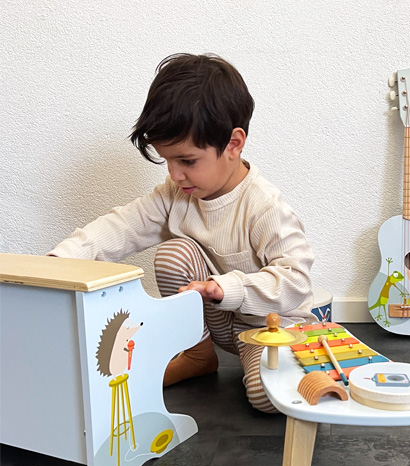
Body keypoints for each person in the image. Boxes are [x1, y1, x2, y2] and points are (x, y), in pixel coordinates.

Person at [48, 53, 316, 413]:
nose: (175, 174)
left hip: (271, 327)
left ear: (234, 144)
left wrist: (227, 288)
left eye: (187, 161)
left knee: (266, 397)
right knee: (174, 253)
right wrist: (59, 262)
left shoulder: (264, 206)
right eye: (167, 160)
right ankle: (197, 355)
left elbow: (296, 280)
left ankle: (305, 361)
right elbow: (121, 226)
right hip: (219, 323)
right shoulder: (175, 195)